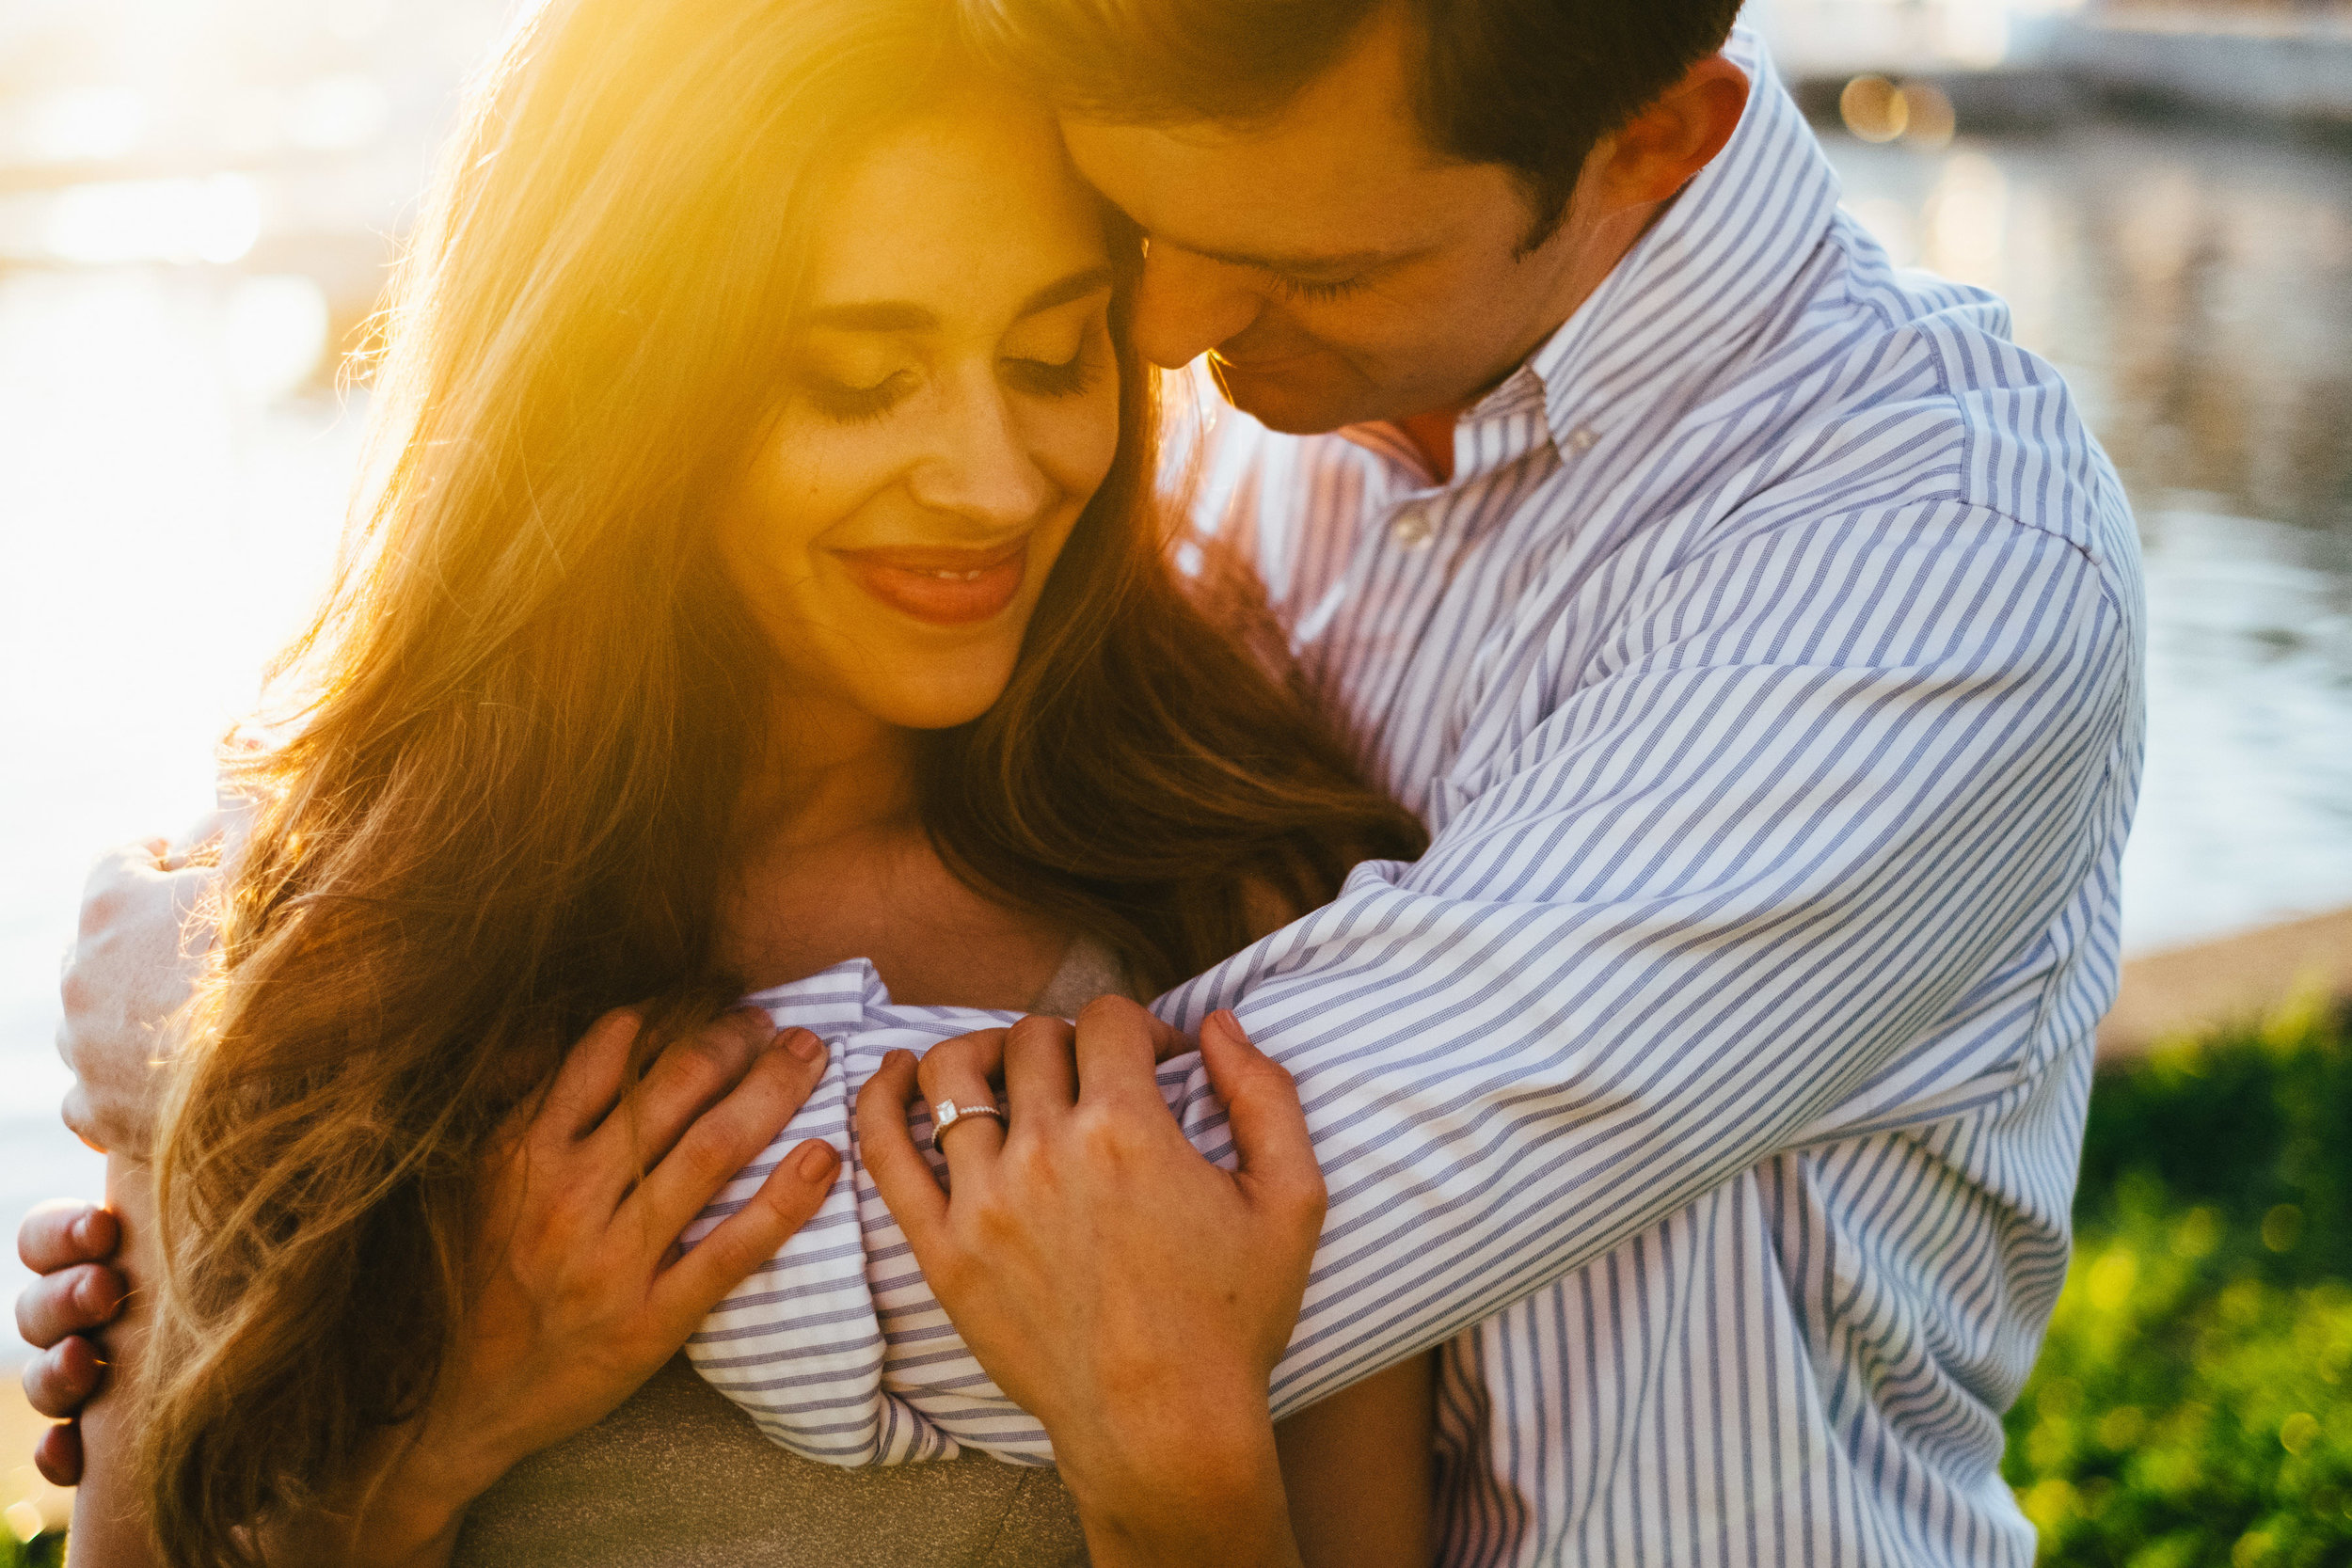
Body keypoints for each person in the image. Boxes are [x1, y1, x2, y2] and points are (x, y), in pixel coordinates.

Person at [35, 0, 2145, 1564]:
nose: (1170, 353)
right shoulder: (1207, 435)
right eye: (1137, 246)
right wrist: (305, 1223)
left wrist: (299, 1142)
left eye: (1304, 271)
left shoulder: (1920, 556)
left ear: (1658, 142)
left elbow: (1190, 1254)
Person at [14, 0, 1436, 1563]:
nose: (996, 477)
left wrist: (1171, 1471)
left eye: (1050, 353)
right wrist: (432, 1447)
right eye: (856, 379)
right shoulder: (304, 941)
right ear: (620, 397)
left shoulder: (1243, 918)